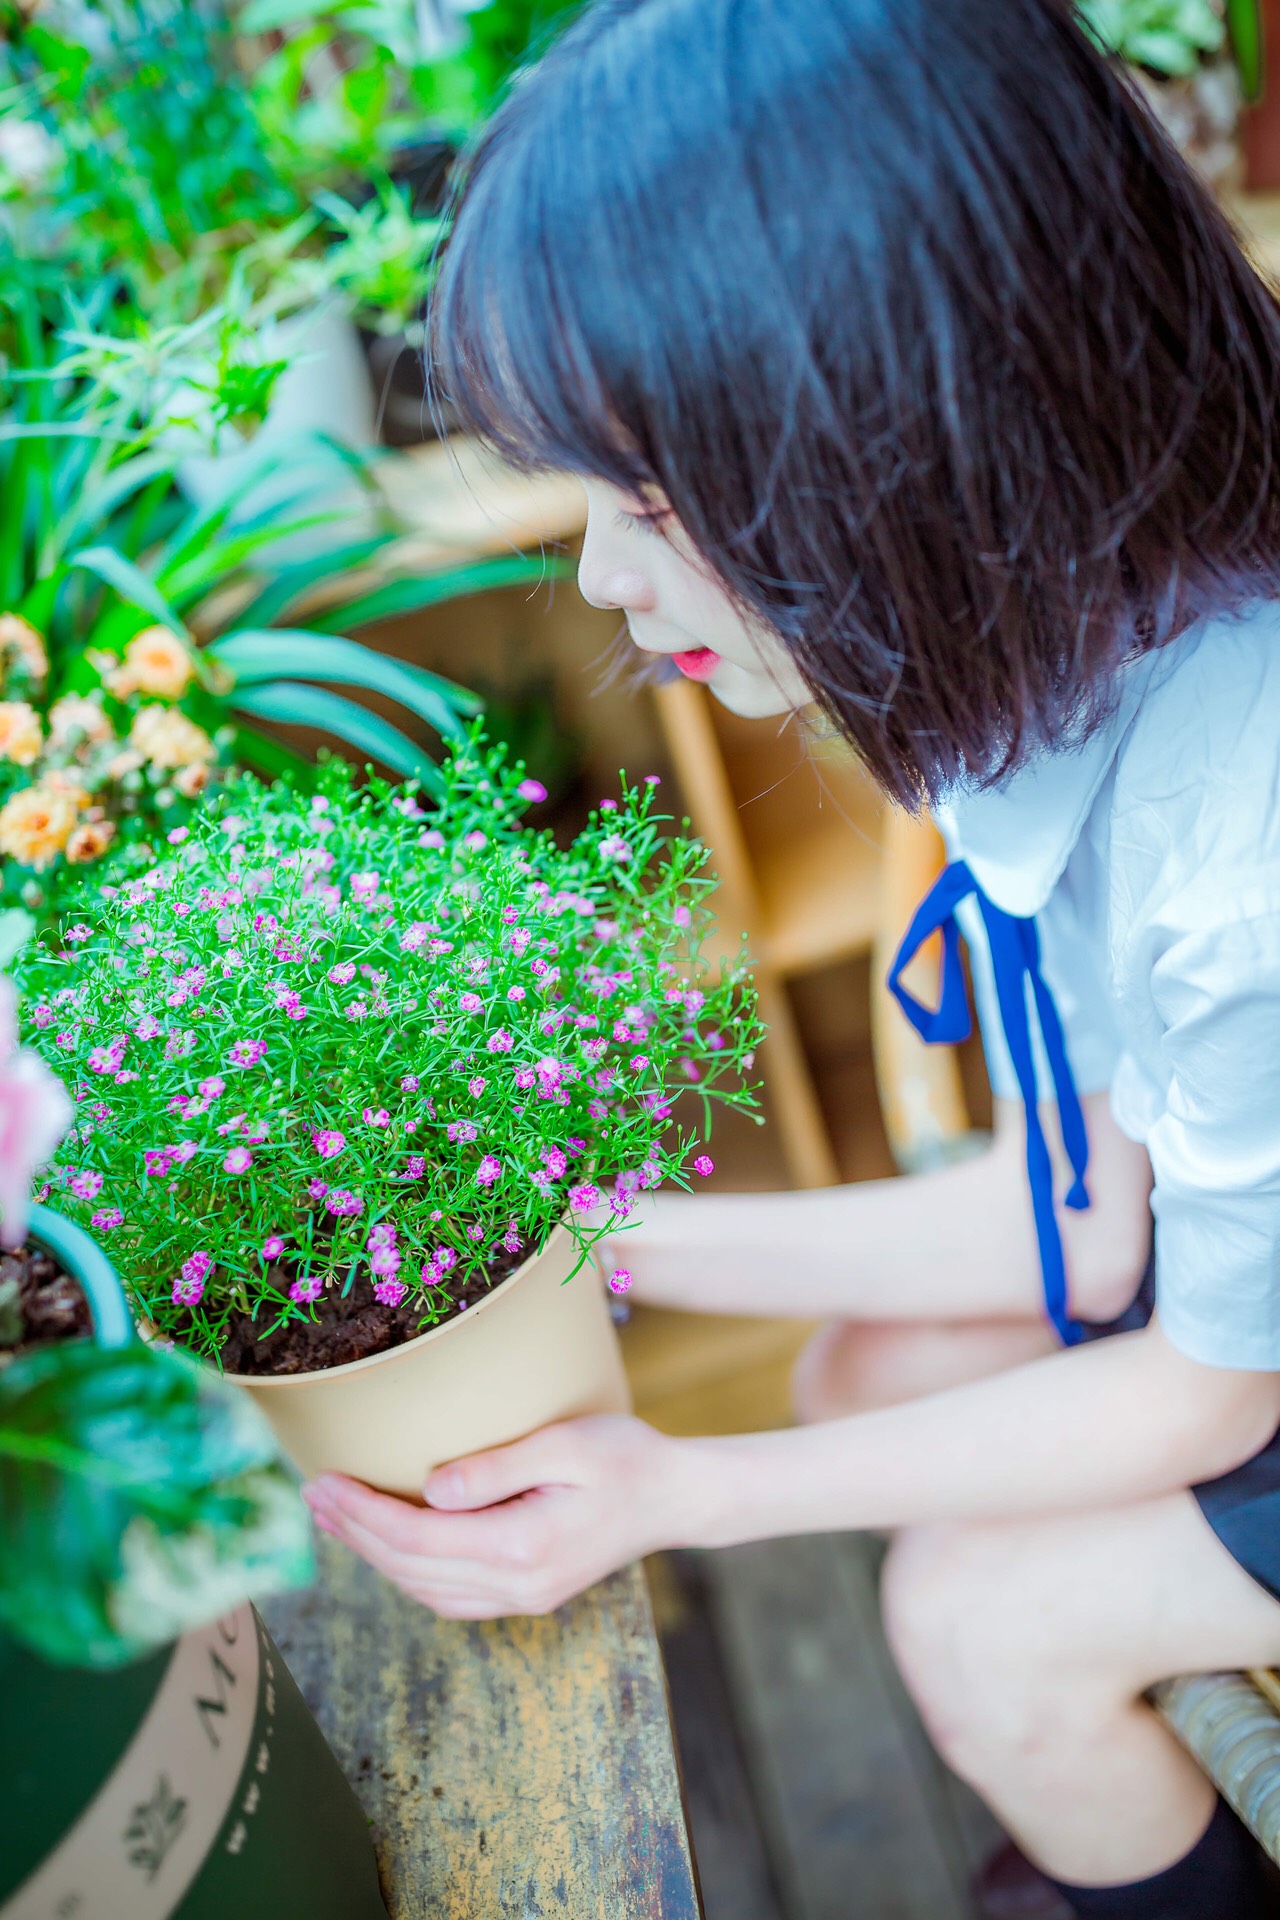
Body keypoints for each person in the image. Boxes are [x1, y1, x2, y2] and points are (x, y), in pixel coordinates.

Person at [299, 2, 1280, 1912]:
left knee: (982, 1621)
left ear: (922, 449)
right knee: (869, 1372)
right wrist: (586, 1251)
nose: (596, 578)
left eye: (650, 506)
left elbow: (1211, 1391)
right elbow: (1083, 1214)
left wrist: (675, 1491)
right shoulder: (1112, 625)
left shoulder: (1239, 842)